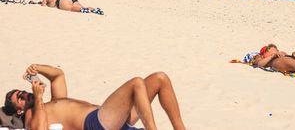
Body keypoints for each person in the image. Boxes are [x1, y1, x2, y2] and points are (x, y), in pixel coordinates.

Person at [3, 64, 186, 130]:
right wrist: (39, 98)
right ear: (19, 109)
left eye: (23, 92)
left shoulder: (54, 101)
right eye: (20, 98)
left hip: (113, 118)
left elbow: (58, 75)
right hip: (96, 124)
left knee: (160, 78)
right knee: (136, 83)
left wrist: (38, 68)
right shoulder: (30, 115)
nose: (25, 95)